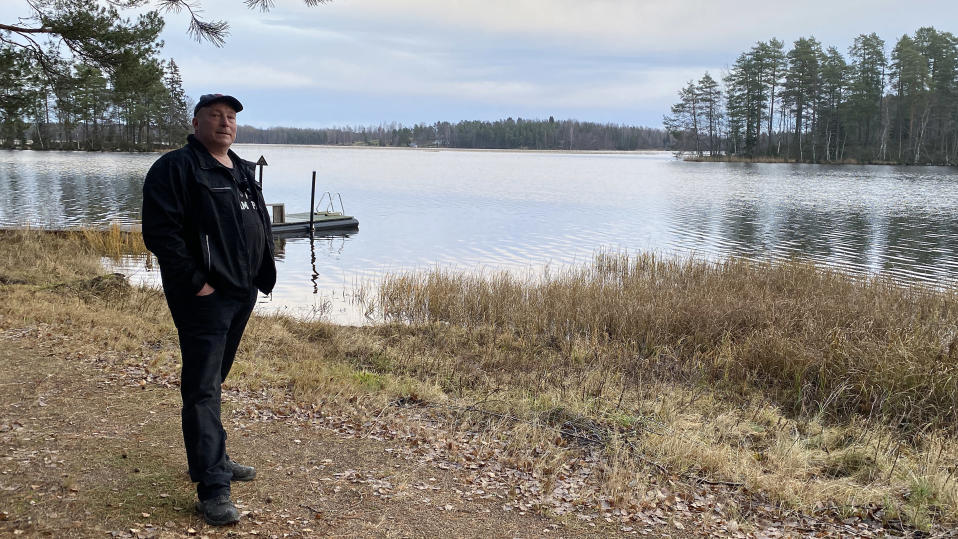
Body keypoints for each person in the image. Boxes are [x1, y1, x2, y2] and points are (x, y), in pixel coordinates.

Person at [141, 93, 276, 526]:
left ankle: (208, 458)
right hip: (205, 298)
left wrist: (260, 273)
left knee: (214, 380)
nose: (225, 123)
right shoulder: (176, 168)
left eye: (231, 117)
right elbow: (161, 233)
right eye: (215, 116)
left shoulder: (240, 169)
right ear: (196, 122)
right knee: (202, 388)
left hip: (241, 292)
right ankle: (213, 487)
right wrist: (196, 282)